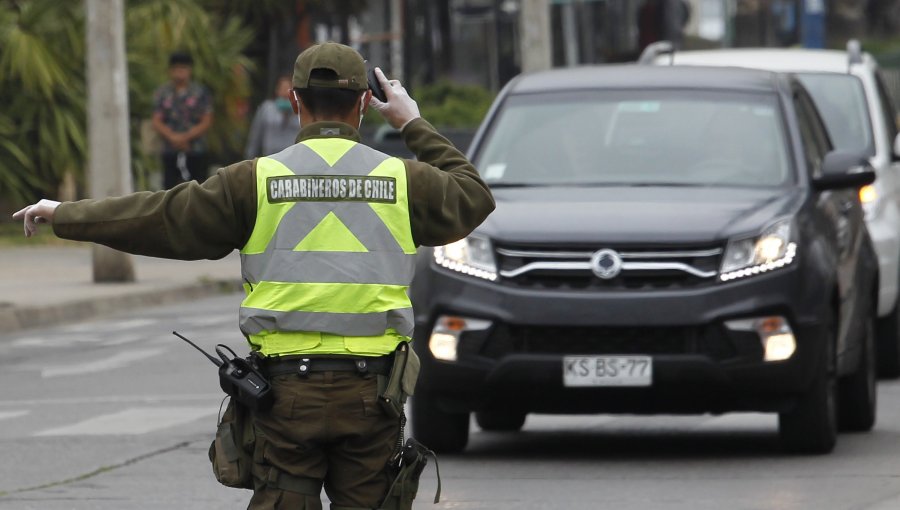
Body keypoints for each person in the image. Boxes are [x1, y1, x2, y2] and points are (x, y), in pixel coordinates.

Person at [13, 42, 494, 510]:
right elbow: (475, 196)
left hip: (285, 398)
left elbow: (161, 217)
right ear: (366, 103)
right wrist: (411, 122)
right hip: (372, 396)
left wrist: (64, 213)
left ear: (294, 101)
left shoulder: (254, 179)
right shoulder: (402, 180)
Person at [152, 51, 214, 189]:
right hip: (170, 149)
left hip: (196, 150)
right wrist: (173, 137)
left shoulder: (200, 92)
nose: (180, 72)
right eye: (176, 68)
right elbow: (156, 120)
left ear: (190, 70)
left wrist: (185, 137)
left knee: (199, 189)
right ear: (170, 70)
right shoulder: (163, 92)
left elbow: (207, 120)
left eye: (183, 68)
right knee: (169, 191)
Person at [245, 75, 301, 159]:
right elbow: (256, 134)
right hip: (270, 157)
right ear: (277, 90)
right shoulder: (267, 108)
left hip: (292, 158)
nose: (285, 92)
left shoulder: (299, 111)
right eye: (283, 88)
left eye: (288, 89)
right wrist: (250, 156)